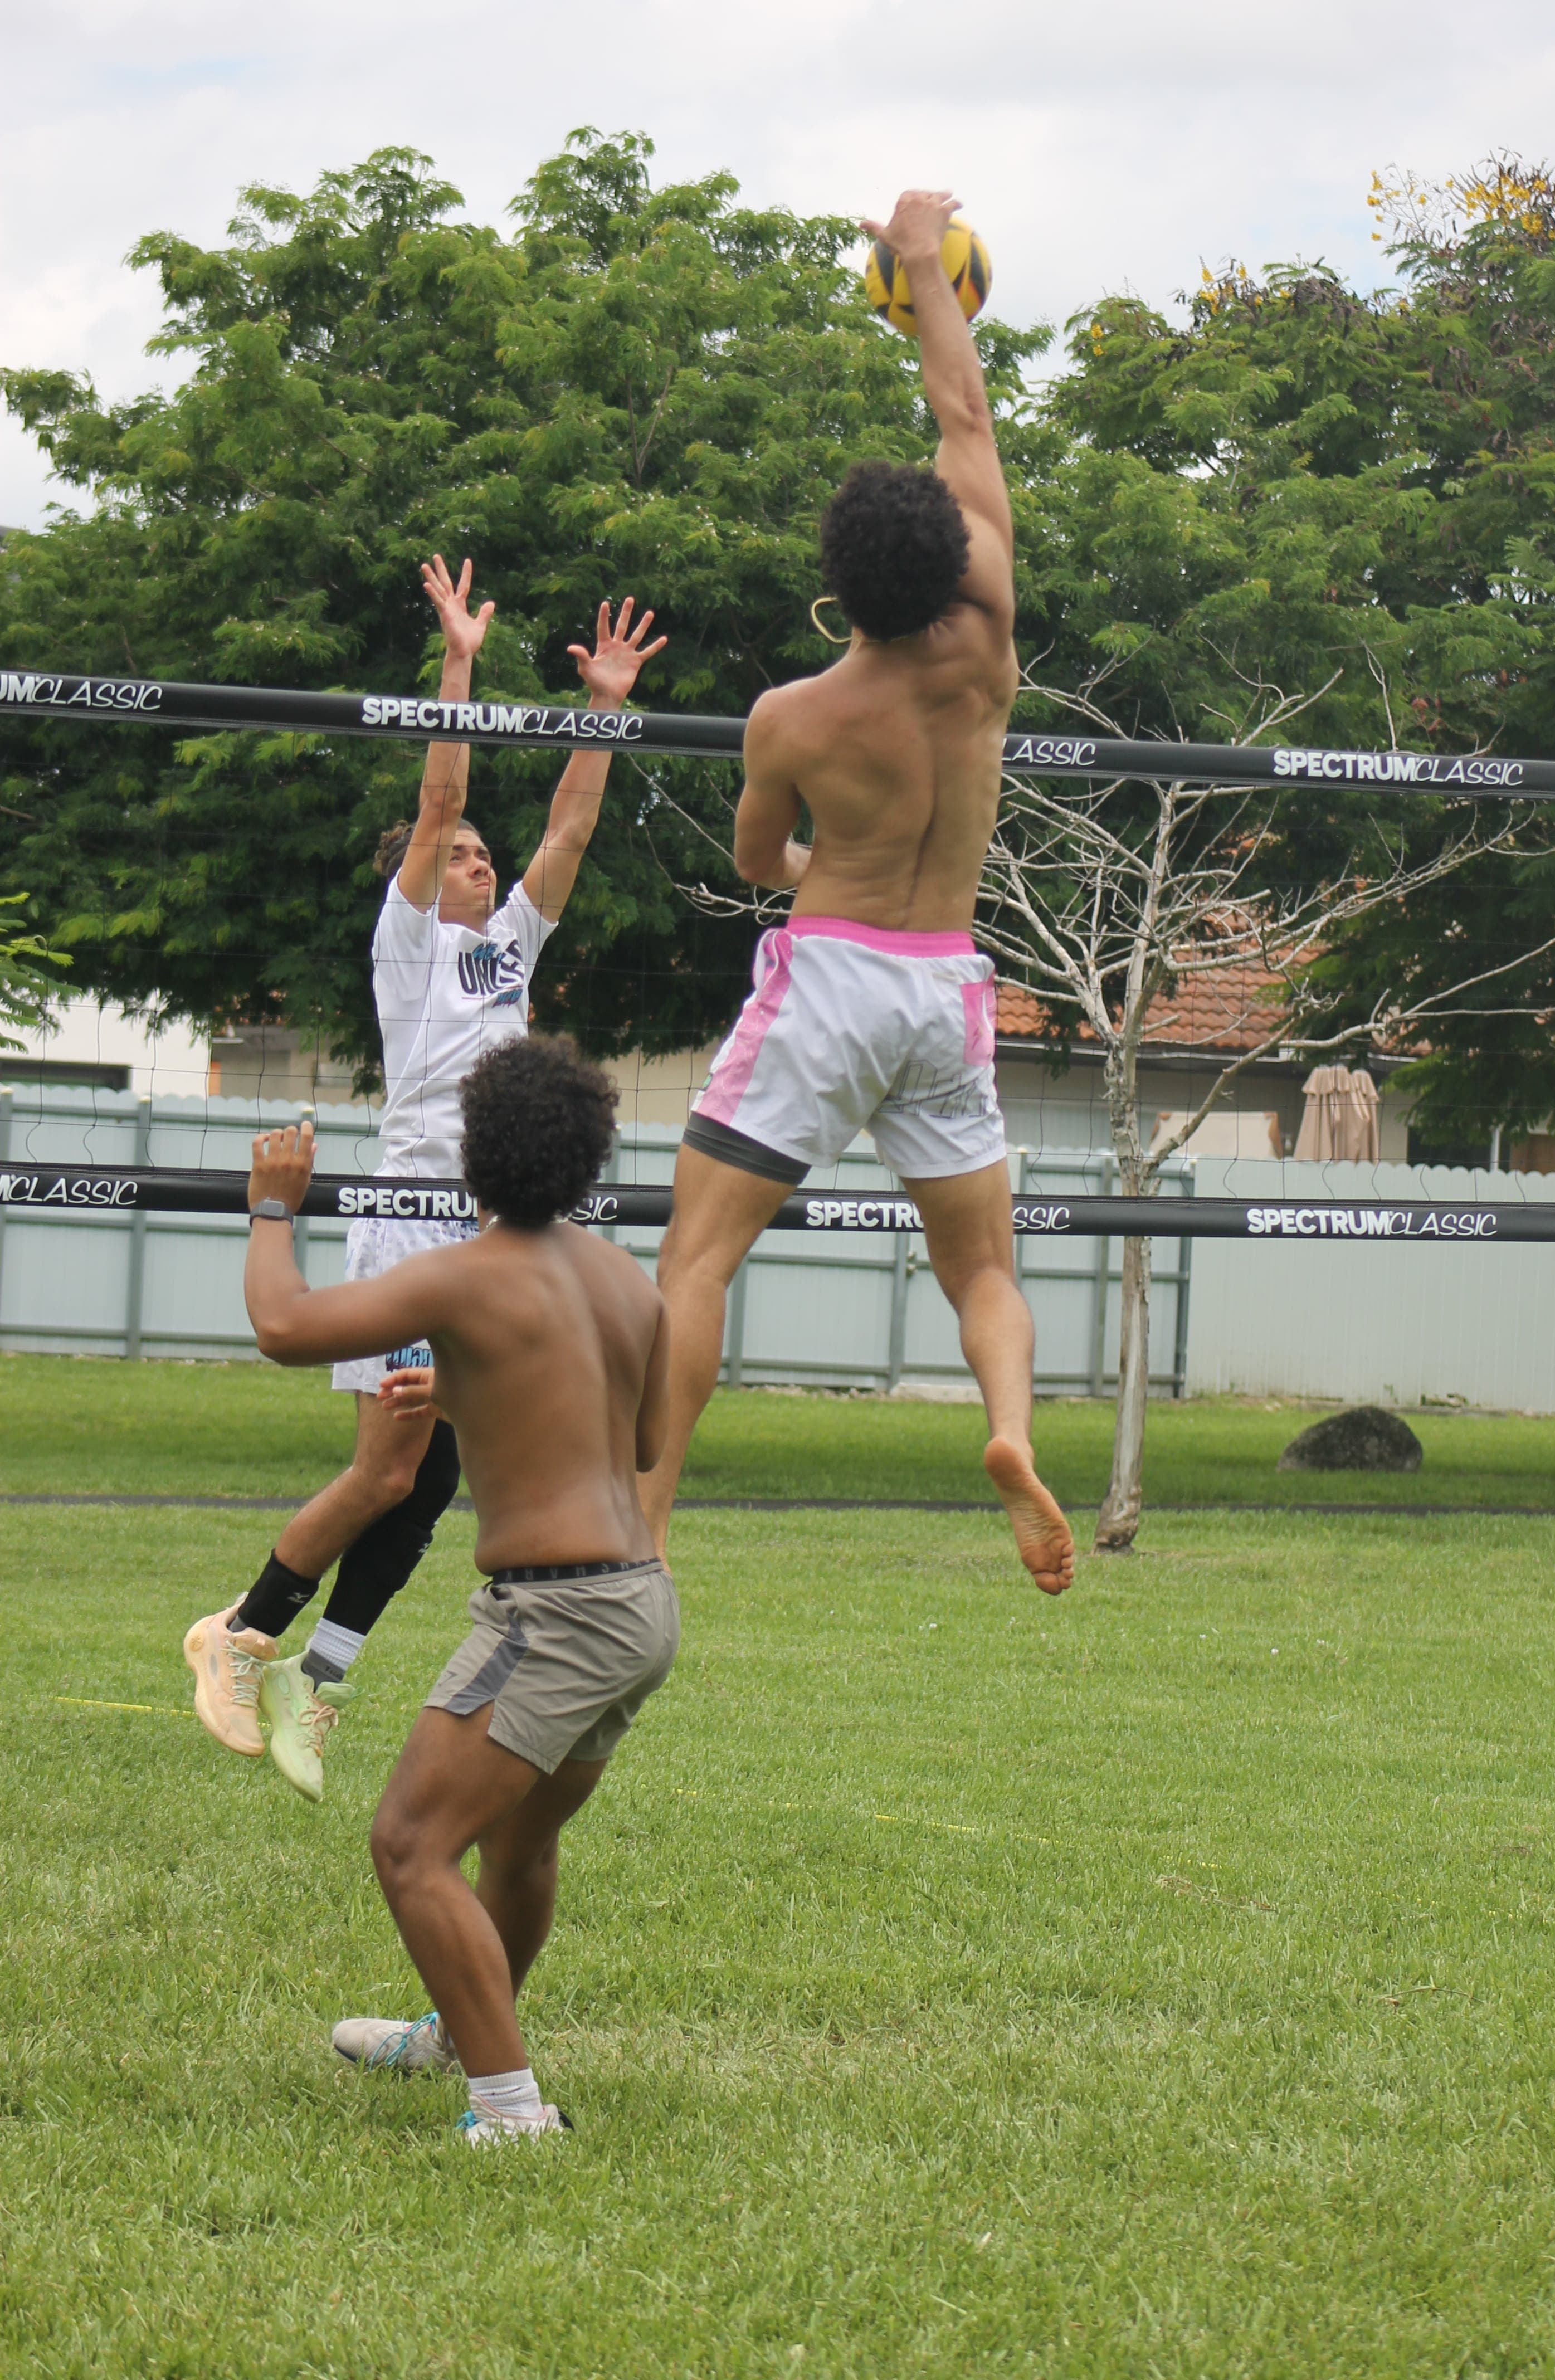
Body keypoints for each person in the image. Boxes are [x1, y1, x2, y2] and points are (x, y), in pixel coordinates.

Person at [638, 188, 1074, 1597]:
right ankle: (1006, 1434)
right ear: (947, 559)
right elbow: (963, 413)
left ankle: (645, 1516)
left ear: (838, 586)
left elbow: (754, 864)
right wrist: (915, 263)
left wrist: (821, 874)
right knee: (984, 1274)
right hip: (947, 986)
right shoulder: (991, 624)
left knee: (694, 1262)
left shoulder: (793, 719)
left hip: (830, 977)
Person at [184, 558, 666, 1800]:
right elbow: (444, 785)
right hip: (412, 1221)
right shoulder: (412, 948)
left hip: (486, 1226)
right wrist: (459, 664)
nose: (477, 861)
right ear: (421, 873)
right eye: (457, 854)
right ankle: (237, 1633)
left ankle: (322, 1677)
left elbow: (567, 828)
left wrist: (602, 709)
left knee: (439, 1474)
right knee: (392, 1470)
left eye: (477, 855)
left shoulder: (507, 946)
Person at [241, 1035, 675, 2143]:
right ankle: (455, 2037)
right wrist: (478, 1380)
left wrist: (273, 1209)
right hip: (637, 1607)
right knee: (518, 1846)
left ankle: (509, 2108)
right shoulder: (629, 1284)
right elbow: (638, 1441)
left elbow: (285, 1329)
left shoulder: (462, 1275)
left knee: (407, 1844)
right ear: (588, 1156)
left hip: (554, 1612)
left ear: (474, 1156)